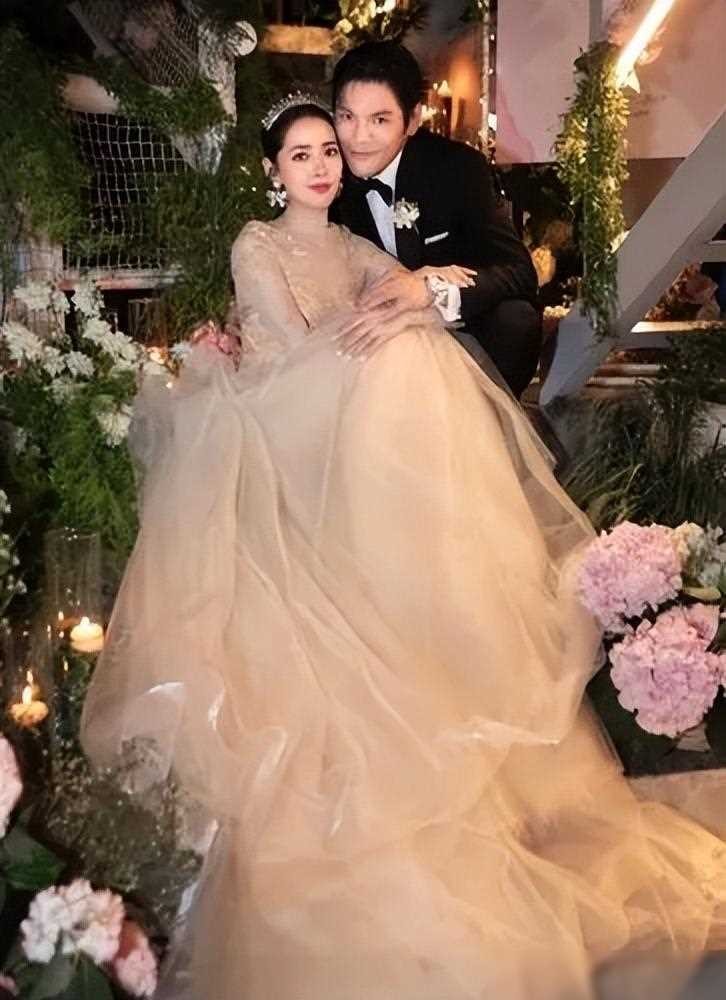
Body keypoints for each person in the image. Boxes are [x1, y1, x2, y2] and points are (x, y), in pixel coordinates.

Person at [82, 96, 726, 1000]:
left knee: (413, 355)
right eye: (301, 154)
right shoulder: (256, 244)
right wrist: (389, 327)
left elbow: (416, 293)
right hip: (280, 419)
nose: (320, 166)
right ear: (273, 171)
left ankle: (423, 585)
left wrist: (415, 304)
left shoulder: (351, 245)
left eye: (327, 152)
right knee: (395, 364)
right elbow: (301, 348)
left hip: (340, 414)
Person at [331, 41, 541, 398]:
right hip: (369, 341)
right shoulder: (326, 171)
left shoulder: (455, 169)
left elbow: (518, 272)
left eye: (379, 120)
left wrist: (431, 290)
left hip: (453, 334)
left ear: (412, 120)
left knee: (515, 319)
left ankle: (488, 419)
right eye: (347, 117)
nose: (359, 138)